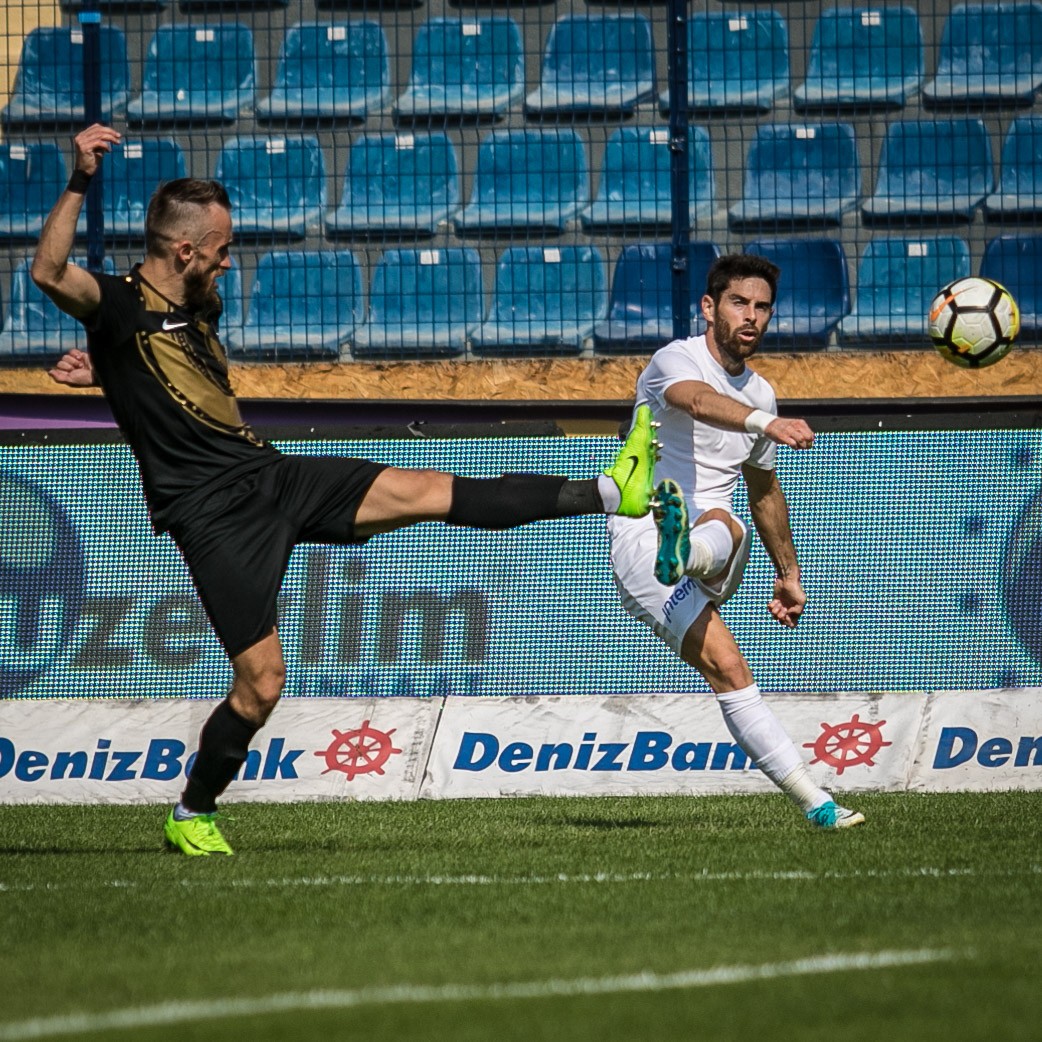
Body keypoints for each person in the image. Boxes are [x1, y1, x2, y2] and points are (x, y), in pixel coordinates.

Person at [36, 124, 660, 856]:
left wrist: (108, 372)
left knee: (428, 491)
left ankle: (610, 490)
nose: (229, 263)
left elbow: (168, 381)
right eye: (221, 250)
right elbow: (48, 272)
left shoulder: (200, 305)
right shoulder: (115, 302)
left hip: (273, 477)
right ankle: (191, 812)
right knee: (262, 685)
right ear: (185, 251)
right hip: (213, 518)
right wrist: (80, 179)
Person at [609, 253, 865, 829]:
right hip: (640, 534)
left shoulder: (762, 393)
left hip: (715, 546)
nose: (751, 316)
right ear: (709, 307)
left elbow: (764, 489)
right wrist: (763, 422)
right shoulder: (675, 360)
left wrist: (789, 575)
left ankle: (686, 553)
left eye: (762, 307)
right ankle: (818, 804)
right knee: (728, 663)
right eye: (738, 303)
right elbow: (696, 401)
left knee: (725, 526)